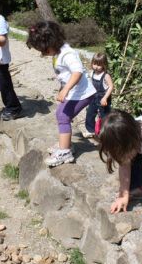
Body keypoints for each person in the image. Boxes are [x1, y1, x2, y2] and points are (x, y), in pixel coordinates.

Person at [26, 21, 96, 167]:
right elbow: (65, 74)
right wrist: (62, 87)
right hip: (74, 91)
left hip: (82, 93)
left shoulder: (68, 53)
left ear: (51, 42)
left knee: (63, 116)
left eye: (43, 50)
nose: (42, 54)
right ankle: (66, 144)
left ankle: (65, 151)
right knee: (61, 115)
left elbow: (77, 72)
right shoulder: (58, 51)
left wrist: (66, 89)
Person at [83, 53, 114, 138]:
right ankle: (90, 130)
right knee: (90, 113)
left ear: (104, 65)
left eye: (99, 65)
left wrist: (105, 98)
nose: (96, 66)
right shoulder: (92, 73)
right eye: (94, 64)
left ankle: (105, 133)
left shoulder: (105, 75)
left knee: (104, 116)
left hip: (103, 98)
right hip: (93, 97)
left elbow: (111, 87)